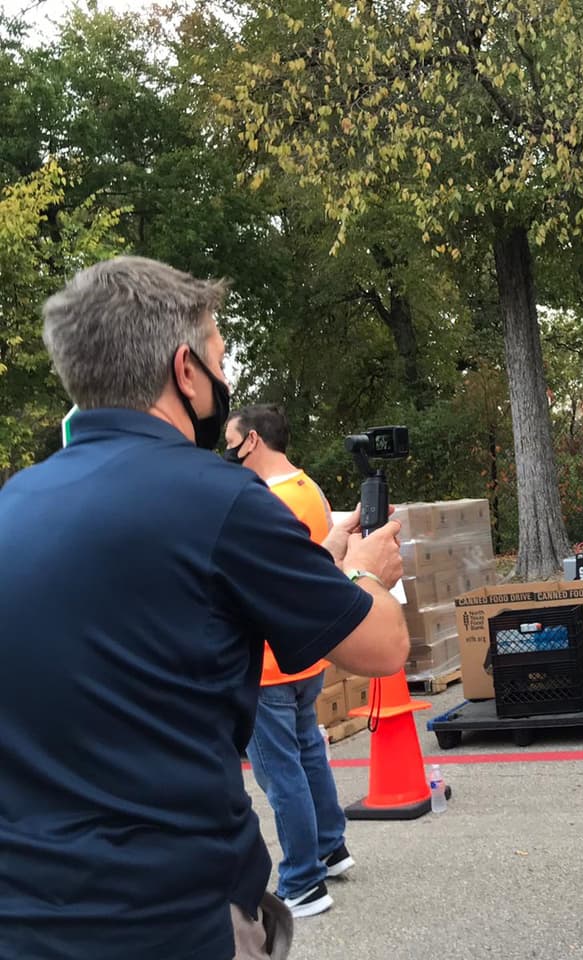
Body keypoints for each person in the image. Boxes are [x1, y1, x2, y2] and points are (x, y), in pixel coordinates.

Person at [0, 256, 409, 960]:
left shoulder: (14, 503)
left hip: (29, 915)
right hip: (173, 914)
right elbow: (380, 649)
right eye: (221, 354)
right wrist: (365, 573)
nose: (227, 377)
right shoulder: (221, 499)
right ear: (185, 370)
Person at [224, 404, 353, 919]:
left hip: (269, 662)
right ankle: (330, 845)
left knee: (282, 774)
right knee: (307, 753)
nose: (226, 453)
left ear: (251, 440)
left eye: (230, 442)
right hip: (305, 653)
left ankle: (301, 879)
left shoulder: (263, 503)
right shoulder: (310, 491)